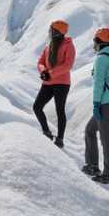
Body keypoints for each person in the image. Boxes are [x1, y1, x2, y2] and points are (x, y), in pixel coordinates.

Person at [84, 27, 109, 183]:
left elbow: (98, 84)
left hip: (104, 102)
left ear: (99, 41)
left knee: (106, 138)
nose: (93, 43)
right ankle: (92, 165)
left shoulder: (101, 58)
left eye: (94, 40)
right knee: (90, 130)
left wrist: (95, 104)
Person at [34, 20, 75, 148]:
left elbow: (67, 65)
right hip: (48, 82)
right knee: (37, 107)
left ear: (56, 32)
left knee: (60, 110)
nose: (49, 32)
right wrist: (43, 71)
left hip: (62, 83)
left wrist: (50, 73)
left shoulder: (69, 45)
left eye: (51, 30)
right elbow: (40, 62)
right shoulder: (49, 46)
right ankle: (46, 131)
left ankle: (60, 139)